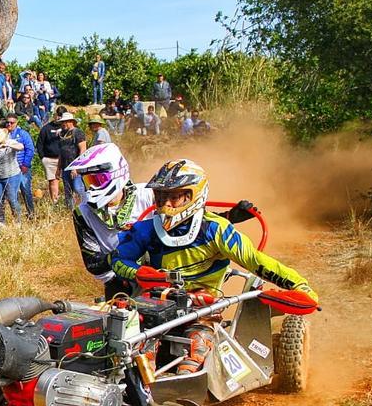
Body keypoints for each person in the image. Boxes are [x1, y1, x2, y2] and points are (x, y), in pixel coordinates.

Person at [112, 159, 318, 374]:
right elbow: (117, 259)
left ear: (194, 195)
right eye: (161, 197)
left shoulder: (216, 230)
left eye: (174, 197)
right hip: (155, 304)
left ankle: (184, 385)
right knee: (131, 352)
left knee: (194, 352)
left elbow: (255, 261)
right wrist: (138, 273)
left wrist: (301, 286)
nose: (166, 205)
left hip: (203, 308)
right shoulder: (145, 229)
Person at [61, 143, 154, 298]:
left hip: (158, 274)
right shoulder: (83, 213)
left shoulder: (148, 195)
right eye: (87, 181)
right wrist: (115, 277)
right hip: (120, 281)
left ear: (117, 173)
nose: (91, 188)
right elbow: (92, 261)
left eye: (97, 180)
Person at [0, 127, 24, 224]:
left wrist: (8, 145)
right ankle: (1, 221)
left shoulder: (10, 142)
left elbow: (21, 147)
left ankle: (17, 221)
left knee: (12, 198)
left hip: (11, 175)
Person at [55, 112, 88, 207]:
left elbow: (83, 150)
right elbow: (61, 153)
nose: (63, 124)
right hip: (65, 166)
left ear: (71, 122)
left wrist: (76, 167)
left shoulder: (78, 133)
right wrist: (58, 169)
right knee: (68, 190)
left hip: (76, 167)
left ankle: (85, 208)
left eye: (65, 122)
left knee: (78, 188)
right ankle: (71, 211)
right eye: (62, 122)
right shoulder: (62, 134)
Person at [35, 110, 64, 203]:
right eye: (57, 115)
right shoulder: (46, 128)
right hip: (49, 159)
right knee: (53, 181)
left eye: (61, 115)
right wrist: (42, 157)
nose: (59, 117)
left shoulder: (67, 128)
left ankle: (69, 202)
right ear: (54, 115)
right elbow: (39, 144)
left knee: (69, 181)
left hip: (64, 159)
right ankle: (55, 201)